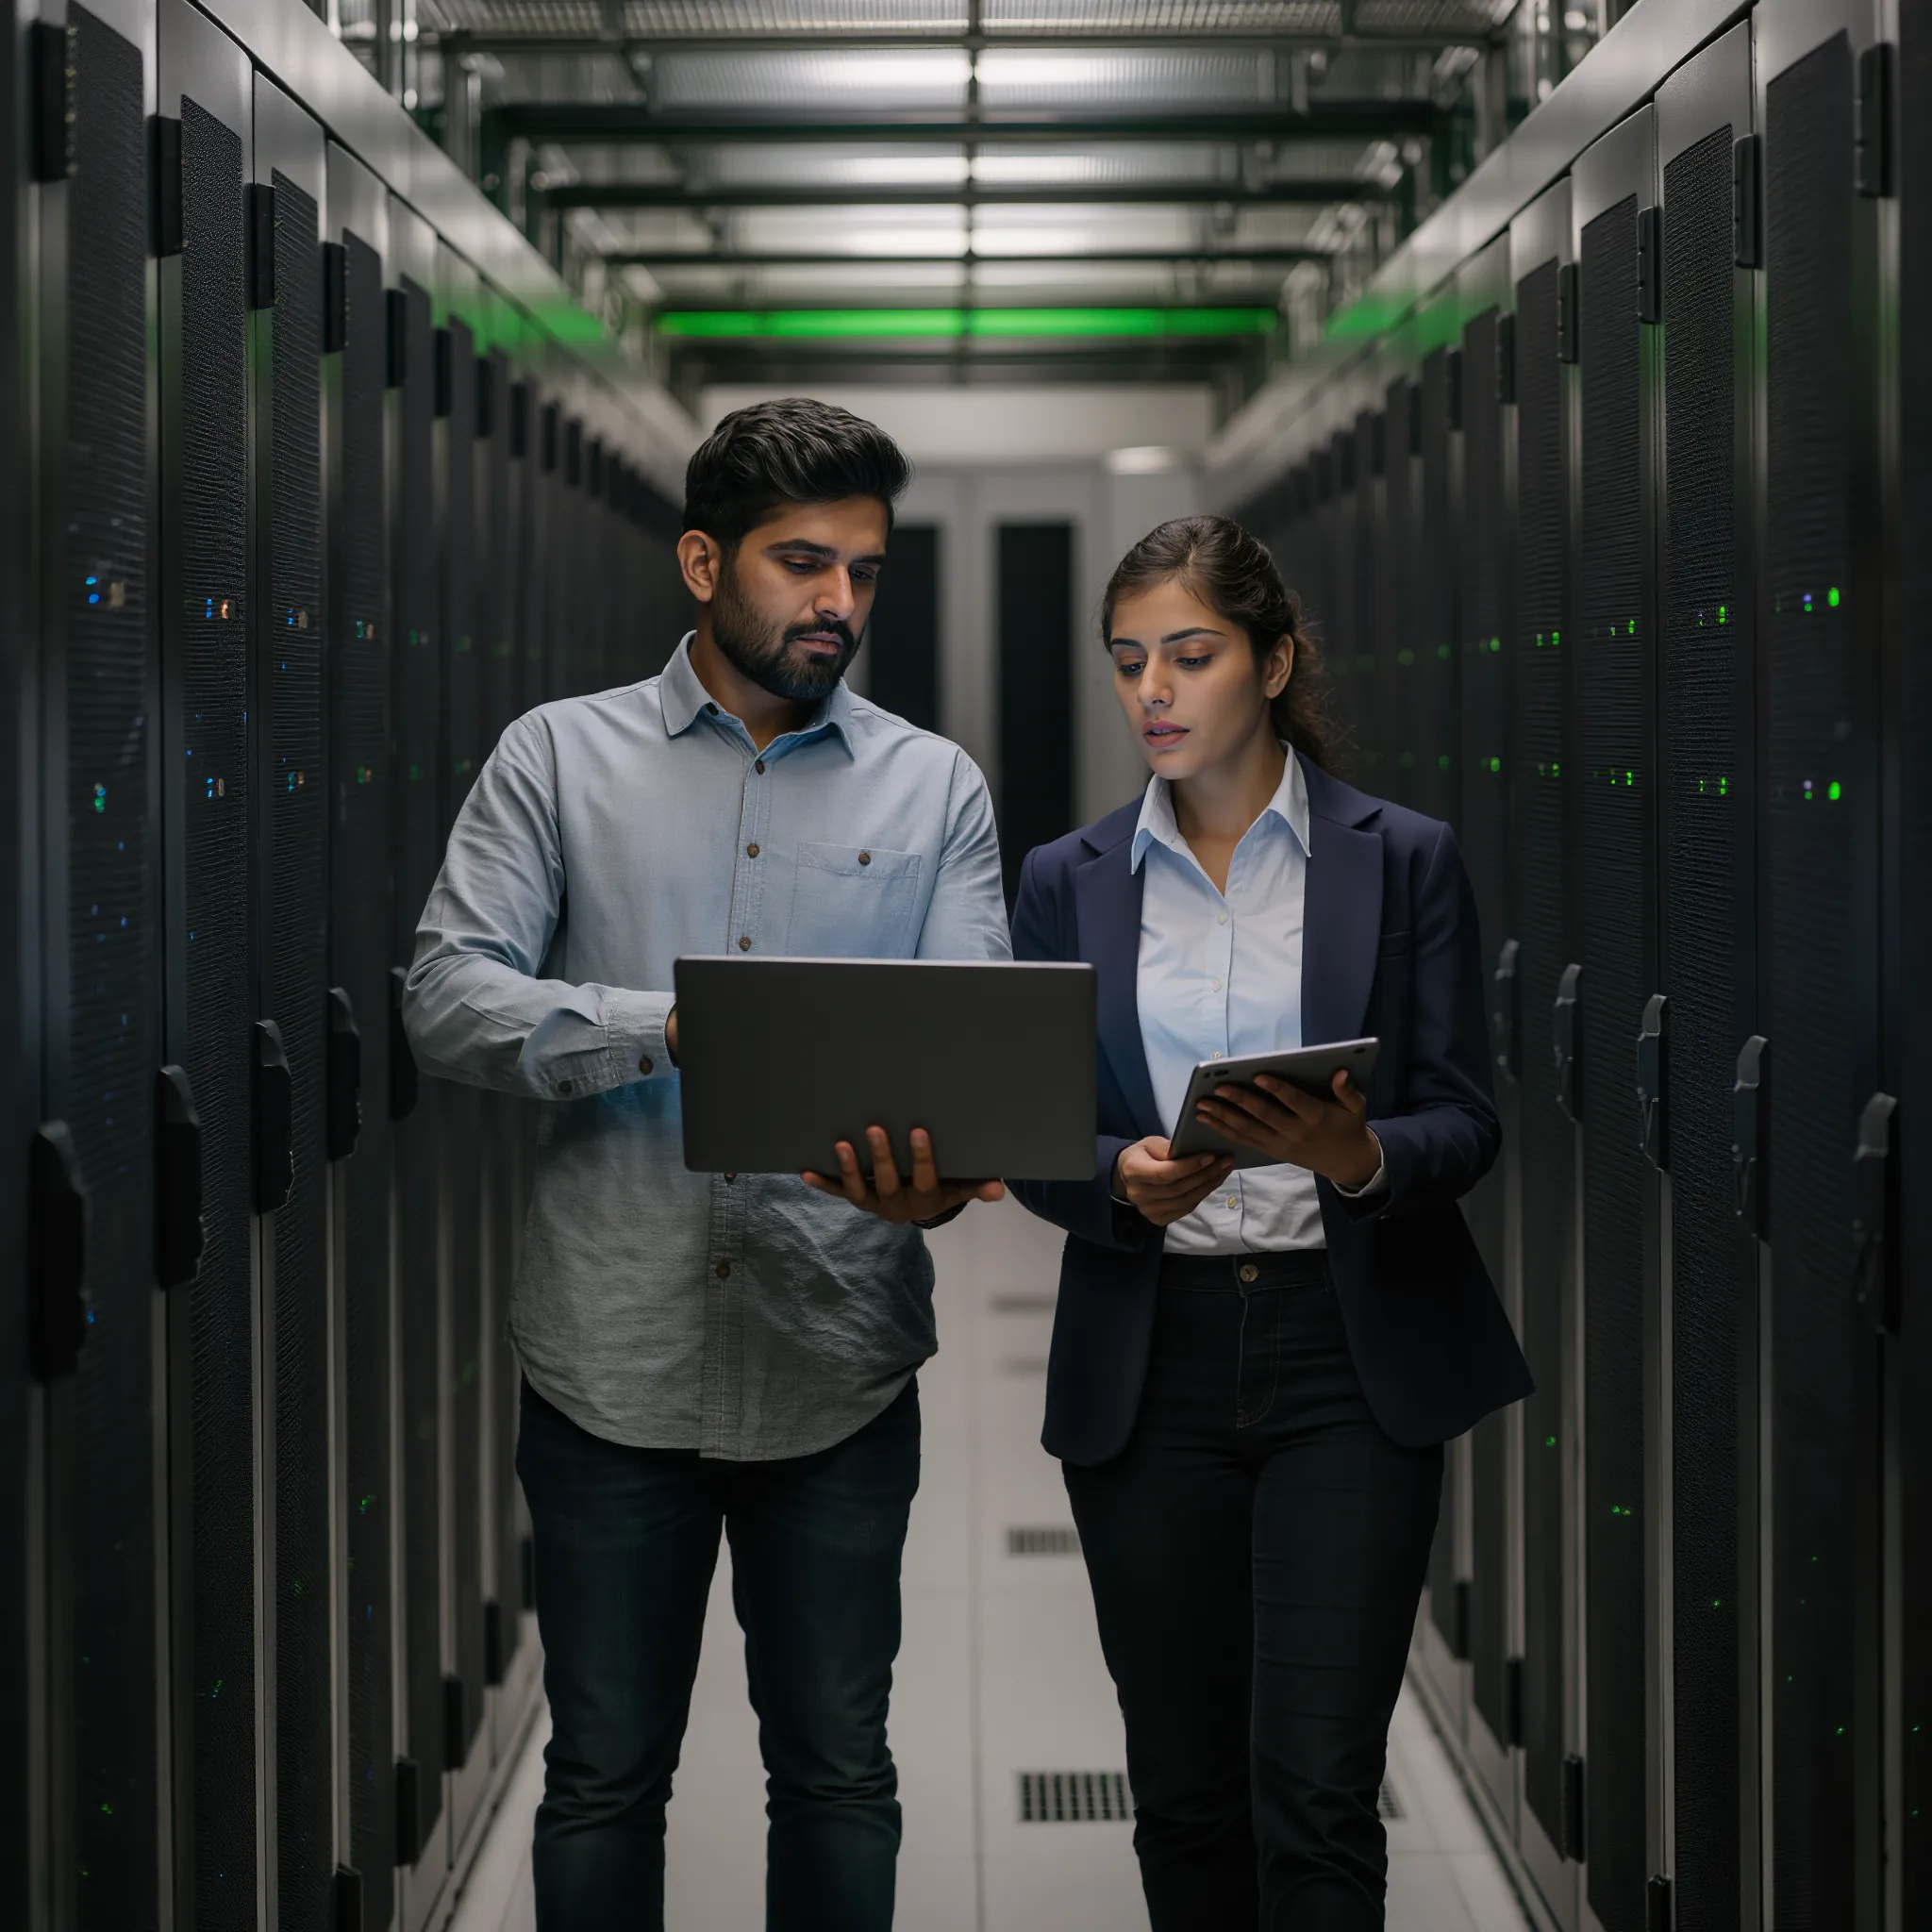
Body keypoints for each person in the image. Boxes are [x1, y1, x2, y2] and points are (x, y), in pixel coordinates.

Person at [402, 398, 1010, 1931]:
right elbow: (447, 996)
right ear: (700, 561)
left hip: (836, 1359)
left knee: (835, 1772)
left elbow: (968, 1066)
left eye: (865, 573)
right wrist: (663, 1027)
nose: (838, 605)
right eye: (803, 564)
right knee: (607, 1776)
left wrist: (936, 1179)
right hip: (613, 1367)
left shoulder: (933, 789)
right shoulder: (558, 758)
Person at [1007, 515, 1532, 1930]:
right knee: (1184, 1793)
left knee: (1315, 1794)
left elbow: (1469, 1119)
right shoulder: (1069, 880)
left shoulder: (1400, 858)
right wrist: (1120, 1176)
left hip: (1344, 1360)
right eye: (1128, 664)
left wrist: (1360, 1154)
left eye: (1190, 654)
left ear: (1274, 659)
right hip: (1150, 1355)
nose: (1153, 694)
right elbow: (1033, 1139)